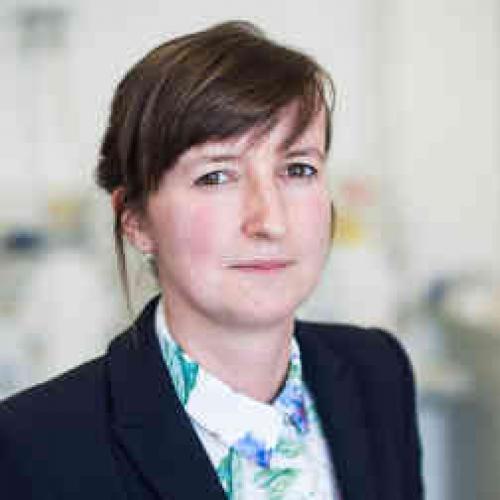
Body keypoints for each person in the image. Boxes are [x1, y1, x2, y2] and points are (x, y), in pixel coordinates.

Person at [0, 21, 423, 499]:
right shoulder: (35, 447)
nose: (270, 221)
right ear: (135, 219)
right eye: (216, 177)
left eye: (298, 169)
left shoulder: (376, 372)